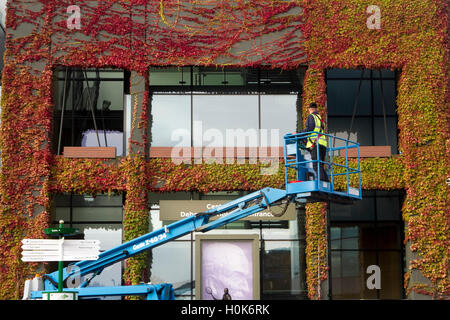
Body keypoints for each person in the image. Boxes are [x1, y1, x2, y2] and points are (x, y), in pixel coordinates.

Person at [302, 102, 329, 182]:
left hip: (315, 144)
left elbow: (310, 128)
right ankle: (326, 183)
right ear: (316, 109)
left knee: (316, 165)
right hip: (323, 145)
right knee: (320, 165)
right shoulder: (320, 119)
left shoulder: (311, 116)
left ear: (310, 109)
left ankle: (321, 182)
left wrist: (299, 133)